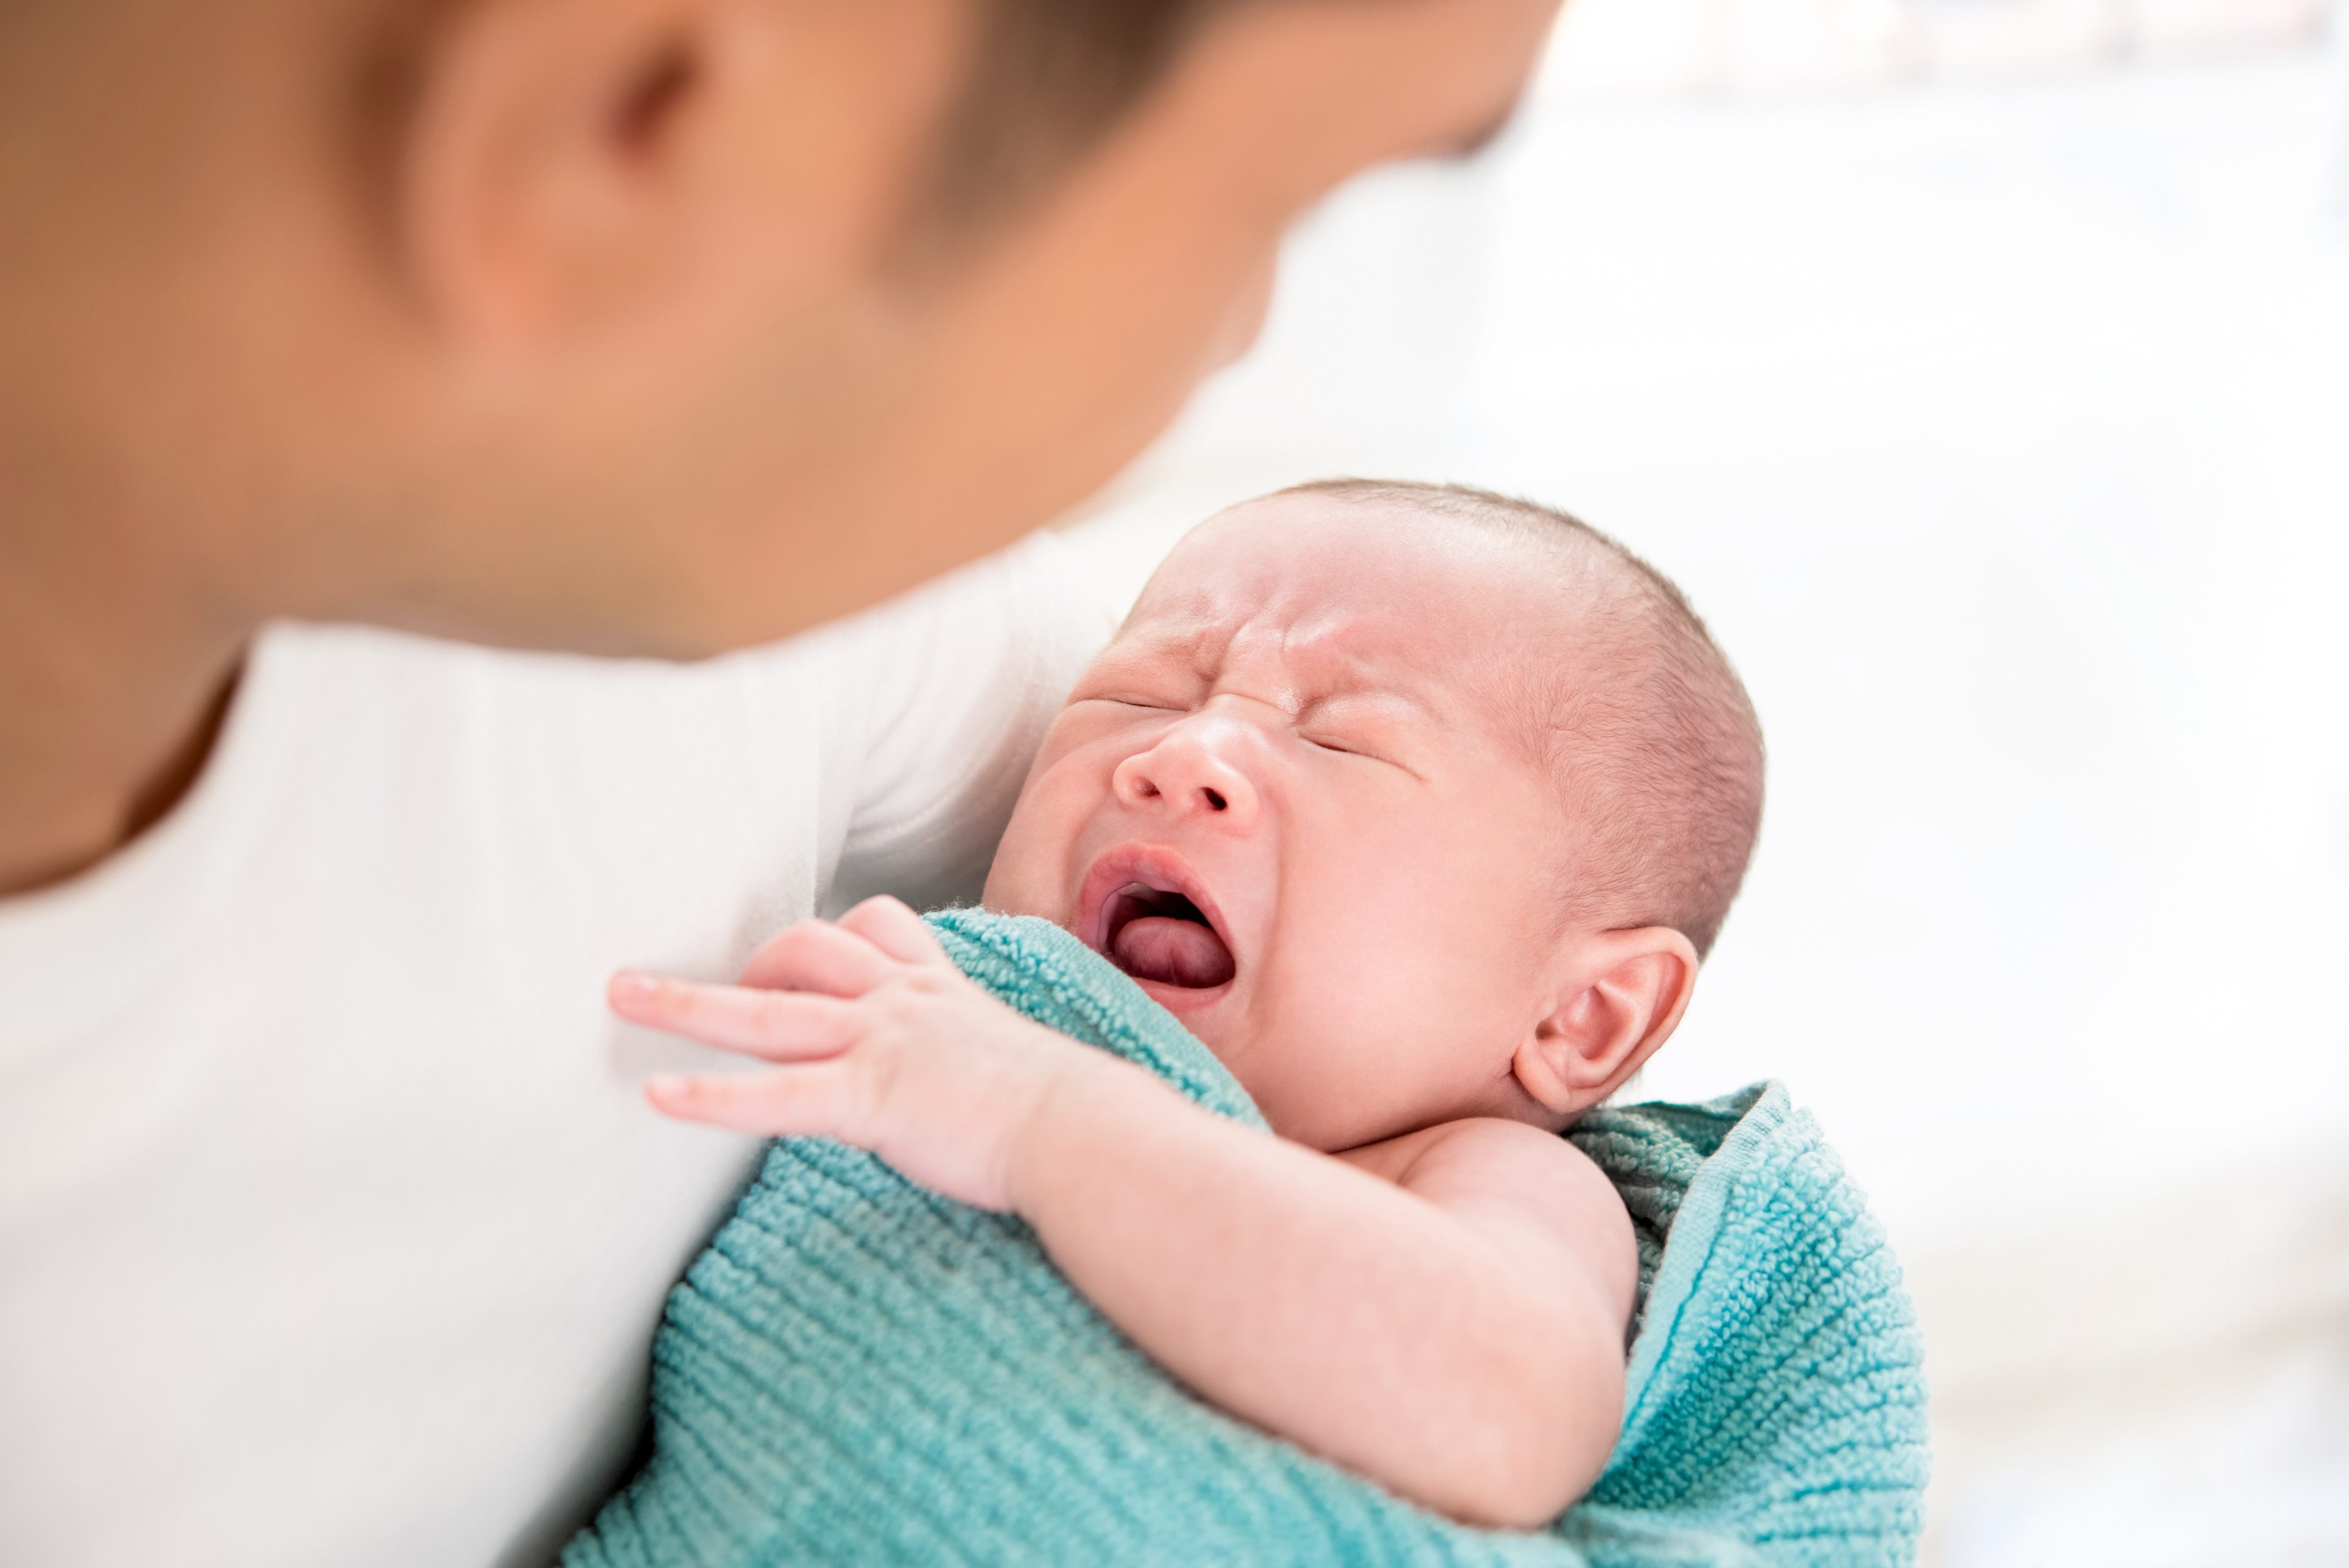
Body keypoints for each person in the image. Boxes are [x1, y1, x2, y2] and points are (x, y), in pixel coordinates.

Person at [0, 3, 1566, 1564]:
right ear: (625, 123)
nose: (1234, 338)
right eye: (1272, 202)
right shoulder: (735, 547)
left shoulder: (798, 587)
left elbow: (1457, 966)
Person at [608, 480, 1767, 1528]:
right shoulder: (935, 1016)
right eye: (1141, 689)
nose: (1182, 751)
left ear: (1584, 1018)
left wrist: (1037, 1117)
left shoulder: (1474, 1177)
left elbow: (1506, 1412)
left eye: (1342, 738)